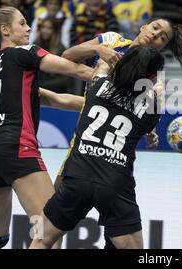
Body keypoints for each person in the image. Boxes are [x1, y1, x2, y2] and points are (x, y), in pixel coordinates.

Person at [40, 17, 182, 248]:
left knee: (52, 230)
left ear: (163, 46)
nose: (155, 35)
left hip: (111, 157)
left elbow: (138, 117)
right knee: (53, 227)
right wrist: (98, 49)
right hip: (83, 145)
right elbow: (67, 57)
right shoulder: (112, 41)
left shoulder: (154, 78)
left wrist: (149, 131)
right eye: (155, 27)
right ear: (143, 26)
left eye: (163, 37)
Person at [0, 6, 95, 249]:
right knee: (49, 235)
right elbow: (76, 69)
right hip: (16, 146)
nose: (28, 28)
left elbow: (55, 98)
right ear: (5, 30)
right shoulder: (24, 52)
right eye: (22, 23)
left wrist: (98, 106)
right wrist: (116, 82)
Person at [30, 45, 164, 249]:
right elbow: (152, 101)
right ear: (151, 77)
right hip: (115, 184)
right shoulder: (152, 108)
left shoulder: (97, 84)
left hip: (77, 177)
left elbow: (102, 65)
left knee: (41, 239)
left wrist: (103, 49)